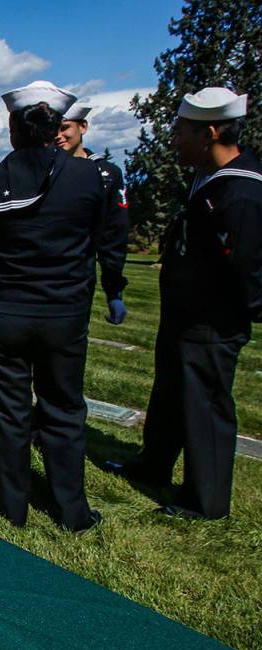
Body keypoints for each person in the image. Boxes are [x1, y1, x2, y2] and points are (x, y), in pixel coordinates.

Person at [113, 87, 261, 519]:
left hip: (212, 322)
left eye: (181, 131)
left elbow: (246, 269)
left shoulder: (243, 193)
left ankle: (206, 500)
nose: (173, 140)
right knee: (171, 396)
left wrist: (230, 320)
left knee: (207, 407)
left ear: (210, 132)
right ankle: (153, 464)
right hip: (184, 314)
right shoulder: (206, 178)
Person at [0, 81, 107, 532]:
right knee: (64, 408)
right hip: (63, 312)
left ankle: (14, 505)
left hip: (4, 310)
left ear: (12, 129)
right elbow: (97, 239)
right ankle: (72, 511)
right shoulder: (89, 177)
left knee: (10, 410)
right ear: (55, 130)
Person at [57, 103, 130, 324]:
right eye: (53, 130)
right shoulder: (46, 168)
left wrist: (113, 290)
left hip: (79, 275)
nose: (59, 136)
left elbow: (115, 233)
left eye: (65, 128)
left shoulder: (106, 175)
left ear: (83, 127)